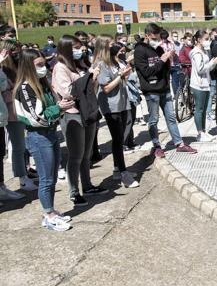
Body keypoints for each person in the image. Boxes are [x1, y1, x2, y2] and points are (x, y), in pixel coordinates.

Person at [14, 49, 74, 231]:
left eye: (44, 64)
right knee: (46, 179)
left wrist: (61, 106)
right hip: (38, 137)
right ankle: (48, 215)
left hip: (50, 133)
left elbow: (52, 108)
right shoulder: (25, 88)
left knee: (52, 176)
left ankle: (51, 211)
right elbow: (35, 118)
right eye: (39, 65)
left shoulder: (42, 83)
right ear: (28, 67)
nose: (43, 68)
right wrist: (58, 108)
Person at [52, 35, 108, 207]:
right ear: (67, 49)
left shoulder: (80, 64)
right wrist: (88, 77)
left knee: (87, 154)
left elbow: (91, 87)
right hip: (73, 115)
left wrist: (92, 76)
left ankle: (88, 185)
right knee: (76, 155)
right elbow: (69, 91)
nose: (81, 50)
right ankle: (74, 192)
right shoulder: (60, 68)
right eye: (76, 47)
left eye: (81, 47)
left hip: (88, 112)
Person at [133, 23, 197, 157]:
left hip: (164, 89)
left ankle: (179, 143)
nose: (159, 41)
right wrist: (161, 61)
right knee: (153, 120)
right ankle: (156, 146)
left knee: (171, 118)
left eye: (159, 38)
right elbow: (146, 72)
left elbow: (166, 70)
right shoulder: (139, 50)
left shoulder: (160, 49)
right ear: (147, 36)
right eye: (155, 38)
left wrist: (170, 59)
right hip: (151, 91)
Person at [94, 35, 139, 188]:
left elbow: (122, 80)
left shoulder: (115, 61)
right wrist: (121, 76)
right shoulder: (102, 64)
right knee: (117, 138)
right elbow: (106, 88)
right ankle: (123, 174)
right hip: (111, 106)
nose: (117, 47)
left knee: (120, 138)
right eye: (112, 44)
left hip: (122, 102)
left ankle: (117, 169)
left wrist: (125, 74)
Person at [0, 41, 38, 192]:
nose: (18, 54)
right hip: (11, 113)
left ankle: (25, 173)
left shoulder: (17, 68)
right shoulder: (3, 69)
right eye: (14, 52)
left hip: (21, 110)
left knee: (23, 146)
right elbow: (6, 93)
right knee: (18, 147)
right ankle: (22, 178)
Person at [190, 30, 217, 142]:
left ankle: (203, 131)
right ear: (199, 40)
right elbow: (200, 69)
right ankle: (199, 133)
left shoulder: (203, 50)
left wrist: (215, 62)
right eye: (206, 39)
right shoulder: (196, 52)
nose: (208, 41)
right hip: (198, 84)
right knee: (199, 109)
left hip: (205, 83)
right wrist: (212, 63)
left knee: (203, 110)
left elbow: (207, 68)